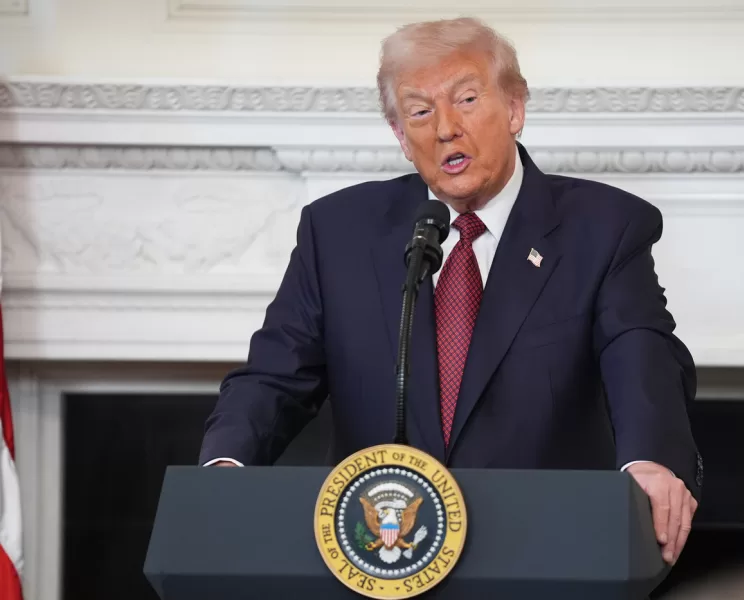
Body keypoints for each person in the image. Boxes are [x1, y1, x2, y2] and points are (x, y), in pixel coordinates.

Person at [199, 17, 702, 565]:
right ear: (399, 136)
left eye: (466, 99)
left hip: (544, 557)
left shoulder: (604, 227)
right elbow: (274, 375)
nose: (445, 128)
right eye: (419, 111)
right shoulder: (338, 231)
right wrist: (226, 468)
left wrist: (650, 461)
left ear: (515, 108)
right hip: (382, 563)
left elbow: (642, 356)